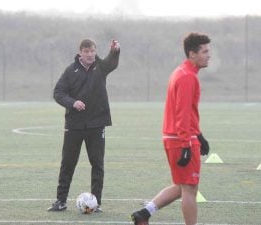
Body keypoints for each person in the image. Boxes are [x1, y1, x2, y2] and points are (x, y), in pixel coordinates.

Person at [131, 32, 211, 225]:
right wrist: (186, 144)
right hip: (180, 138)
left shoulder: (182, 72)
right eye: (205, 51)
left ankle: (145, 213)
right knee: (190, 189)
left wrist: (198, 135)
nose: (209, 55)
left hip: (178, 136)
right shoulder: (187, 77)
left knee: (183, 186)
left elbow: (187, 112)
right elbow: (182, 113)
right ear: (192, 54)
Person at [48, 39, 120, 212]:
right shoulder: (70, 71)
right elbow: (58, 93)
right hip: (74, 125)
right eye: (86, 52)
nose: (89, 55)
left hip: (96, 124)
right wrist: (72, 103)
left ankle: (96, 203)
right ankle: (61, 201)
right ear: (80, 53)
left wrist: (115, 51)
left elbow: (111, 63)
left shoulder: (100, 67)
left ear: (95, 52)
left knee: (97, 164)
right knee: (68, 163)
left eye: (92, 51)